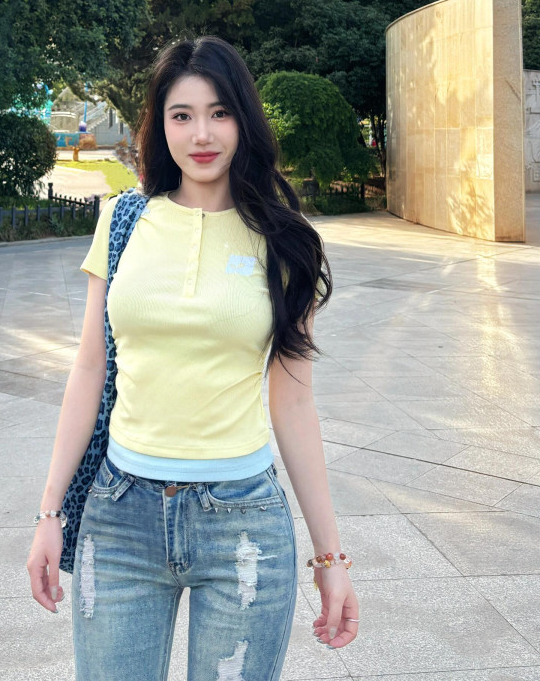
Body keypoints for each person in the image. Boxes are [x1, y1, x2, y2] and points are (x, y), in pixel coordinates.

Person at [27, 36, 359, 680]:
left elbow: (293, 400)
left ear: (243, 119)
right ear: (161, 125)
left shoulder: (285, 241)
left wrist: (331, 559)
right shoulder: (123, 220)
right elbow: (89, 369)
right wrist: (50, 512)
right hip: (117, 518)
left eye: (219, 112)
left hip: (243, 525)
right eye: (182, 115)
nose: (201, 134)